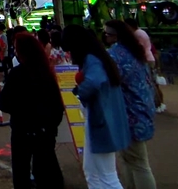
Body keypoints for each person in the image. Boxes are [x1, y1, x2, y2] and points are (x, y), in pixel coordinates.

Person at [63, 25, 128, 189]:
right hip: (101, 122)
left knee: (107, 176)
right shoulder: (99, 58)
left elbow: (93, 82)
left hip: (101, 123)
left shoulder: (92, 61)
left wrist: (79, 91)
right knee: (92, 171)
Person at [0, 32, 65, 189]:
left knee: (21, 173)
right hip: (44, 132)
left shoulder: (17, 74)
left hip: (23, 131)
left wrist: (21, 111)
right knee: (45, 172)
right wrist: (50, 127)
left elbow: (4, 103)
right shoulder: (46, 73)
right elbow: (57, 106)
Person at [103, 21, 157, 189]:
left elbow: (108, 81)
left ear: (114, 36)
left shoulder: (115, 55)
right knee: (131, 160)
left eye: (107, 33)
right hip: (142, 108)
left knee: (138, 163)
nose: (105, 36)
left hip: (127, 114)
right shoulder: (135, 52)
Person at [125, 19, 163, 112]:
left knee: (150, 84)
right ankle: (158, 104)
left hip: (146, 59)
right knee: (152, 83)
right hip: (149, 58)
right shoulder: (141, 32)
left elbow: (139, 48)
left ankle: (157, 104)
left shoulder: (137, 34)